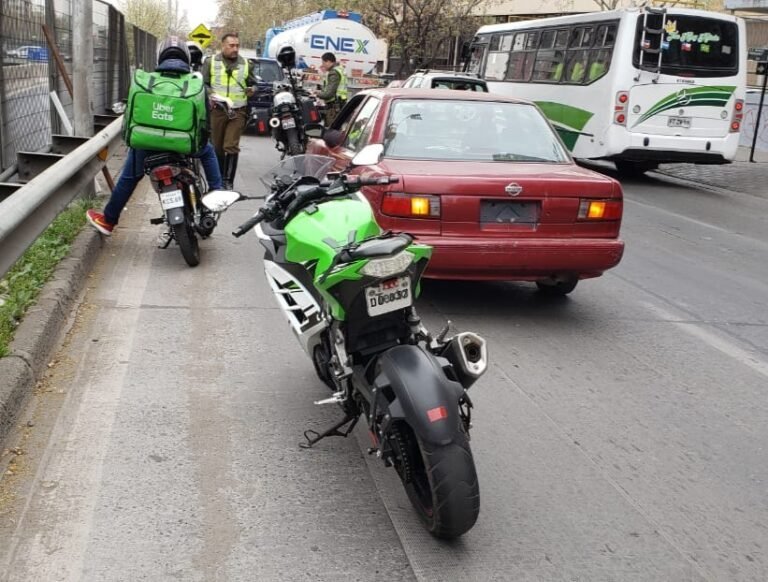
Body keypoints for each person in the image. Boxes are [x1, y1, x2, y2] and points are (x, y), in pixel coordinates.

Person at [86, 37, 223, 236]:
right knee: (208, 152)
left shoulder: (145, 80)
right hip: (185, 144)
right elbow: (204, 122)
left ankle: (108, 221)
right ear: (185, 57)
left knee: (129, 177)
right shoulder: (195, 82)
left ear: (159, 57)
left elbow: (130, 116)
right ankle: (217, 193)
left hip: (146, 144)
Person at [203, 32, 256, 189]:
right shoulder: (210, 62)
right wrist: (211, 94)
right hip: (217, 110)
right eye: (231, 45)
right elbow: (204, 84)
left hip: (237, 110)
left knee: (231, 145)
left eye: (237, 46)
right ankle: (218, 180)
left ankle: (228, 182)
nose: (235, 49)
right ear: (223, 46)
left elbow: (253, 83)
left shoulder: (246, 64)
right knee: (216, 146)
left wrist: (252, 89)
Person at [314, 52, 348, 125]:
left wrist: (316, 95)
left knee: (331, 131)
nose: (322, 65)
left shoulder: (334, 72)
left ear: (328, 61)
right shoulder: (339, 69)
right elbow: (332, 88)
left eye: (323, 62)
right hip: (339, 103)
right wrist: (320, 91)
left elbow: (329, 94)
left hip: (334, 107)